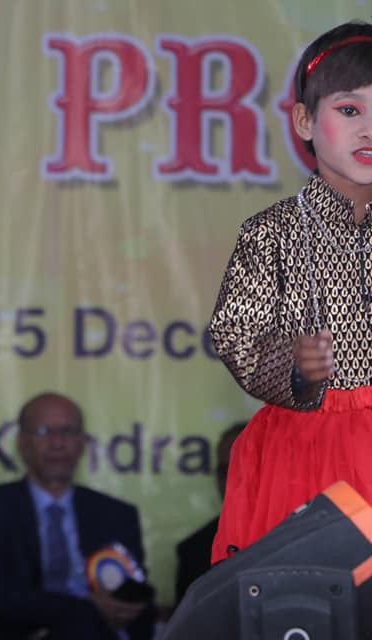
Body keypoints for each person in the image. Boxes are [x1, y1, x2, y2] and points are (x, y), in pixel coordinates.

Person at [209, 20, 372, 563]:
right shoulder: (272, 231)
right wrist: (294, 366)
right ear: (305, 120)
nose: (368, 130)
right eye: (349, 110)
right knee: (308, 591)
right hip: (304, 451)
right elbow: (235, 333)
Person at [0, 392, 155, 640]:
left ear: (82, 442)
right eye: (43, 432)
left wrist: (124, 610)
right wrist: (85, 609)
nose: (57, 443)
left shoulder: (117, 514)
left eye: (68, 431)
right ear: (22, 443)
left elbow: (138, 599)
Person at [173, 421, 245, 604]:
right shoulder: (194, 552)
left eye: (243, 468)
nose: (232, 482)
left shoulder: (303, 542)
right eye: (224, 473)